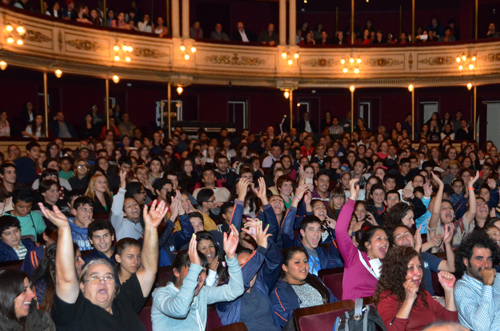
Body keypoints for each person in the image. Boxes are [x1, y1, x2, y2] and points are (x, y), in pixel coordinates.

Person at [40, 199, 167, 330]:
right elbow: (65, 280)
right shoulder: (75, 312)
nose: (102, 282)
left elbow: (148, 270)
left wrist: (151, 229)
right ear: (82, 286)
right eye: (95, 278)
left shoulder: (124, 300)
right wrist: (64, 229)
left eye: (108, 277)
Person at [151, 225, 244, 330]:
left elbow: (236, 290)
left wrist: (231, 256)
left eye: (202, 271)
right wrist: (195, 268)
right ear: (176, 272)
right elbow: (180, 310)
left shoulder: (202, 293)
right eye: (193, 270)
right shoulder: (162, 294)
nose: (198, 276)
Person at [375, 246, 458, 331]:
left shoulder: (423, 295)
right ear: (397, 272)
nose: (418, 273)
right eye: (411, 268)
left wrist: (449, 291)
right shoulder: (388, 298)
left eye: (419, 266)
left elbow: (452, 324)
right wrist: (409, 299)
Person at [335, 178, 389, 301]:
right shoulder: (354, 257)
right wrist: (352, 198)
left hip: (383, 312)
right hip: (358, 315)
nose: (384, 242)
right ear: (367, 244)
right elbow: (339, 230)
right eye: (379, 238)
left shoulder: (387, 263)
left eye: (386, 239)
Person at [270, 246, 338, 328]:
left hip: (332, 325)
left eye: (305, 261)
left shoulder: (315, 280)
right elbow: (290, 322)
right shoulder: (278, 292)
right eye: (297, 262)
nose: (303, 265)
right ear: (285, 267)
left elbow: (335, 303)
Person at [454, 230, 500, 331]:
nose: (486, 264)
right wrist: (487, 285)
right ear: (466, 261)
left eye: (489, 259)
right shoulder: (462, 289)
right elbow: (482, 327)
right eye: (479, 259)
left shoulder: (498, 278)